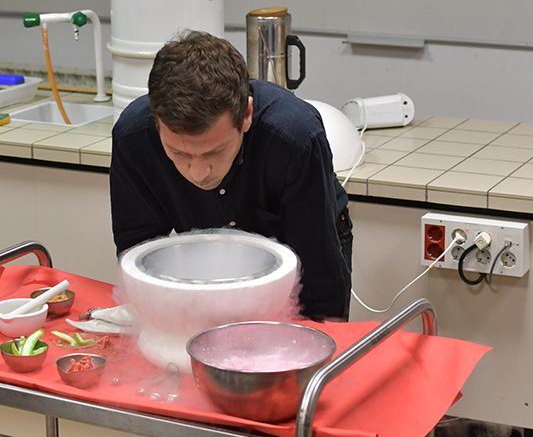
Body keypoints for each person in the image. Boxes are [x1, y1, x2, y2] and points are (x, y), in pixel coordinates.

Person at [110, 30, 353, 321]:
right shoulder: (133, 137)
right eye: (178, 153)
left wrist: (319, 337)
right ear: (156, 122)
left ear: (246, 114)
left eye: (214, 152)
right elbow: (139, 254)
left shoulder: (294, 138)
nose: (198, 173)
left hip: (305, 241)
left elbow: (319, 277)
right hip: (203, 241)